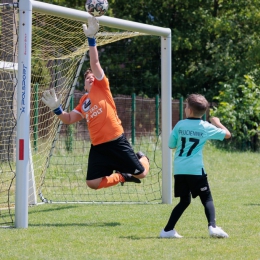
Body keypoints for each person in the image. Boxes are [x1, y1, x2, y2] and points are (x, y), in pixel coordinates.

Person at [42, 17, 149, 190]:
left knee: (142, 173)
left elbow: (95, 62)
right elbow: (68, 119)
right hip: (98, 147)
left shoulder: (102, 86)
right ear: (84, 85)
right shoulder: (83, 101)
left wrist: (91, 39)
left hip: (116, 141)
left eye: (93, 76)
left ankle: (144, 158)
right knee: (92, 183)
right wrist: (57, 108)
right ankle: (122, 176)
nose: (91, 77)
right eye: (87, 77)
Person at [160, 94, 231, 238]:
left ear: (190, 111)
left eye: (186, 106)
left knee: (184, 201)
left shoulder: (180, 124)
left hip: (180, 169)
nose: (185, 108)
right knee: (207, 199)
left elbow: (170, 144)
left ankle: (167, 230)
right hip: (196, 170)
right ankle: (213, 227)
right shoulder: (205, 127)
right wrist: (217, 122)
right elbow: (227, 135)